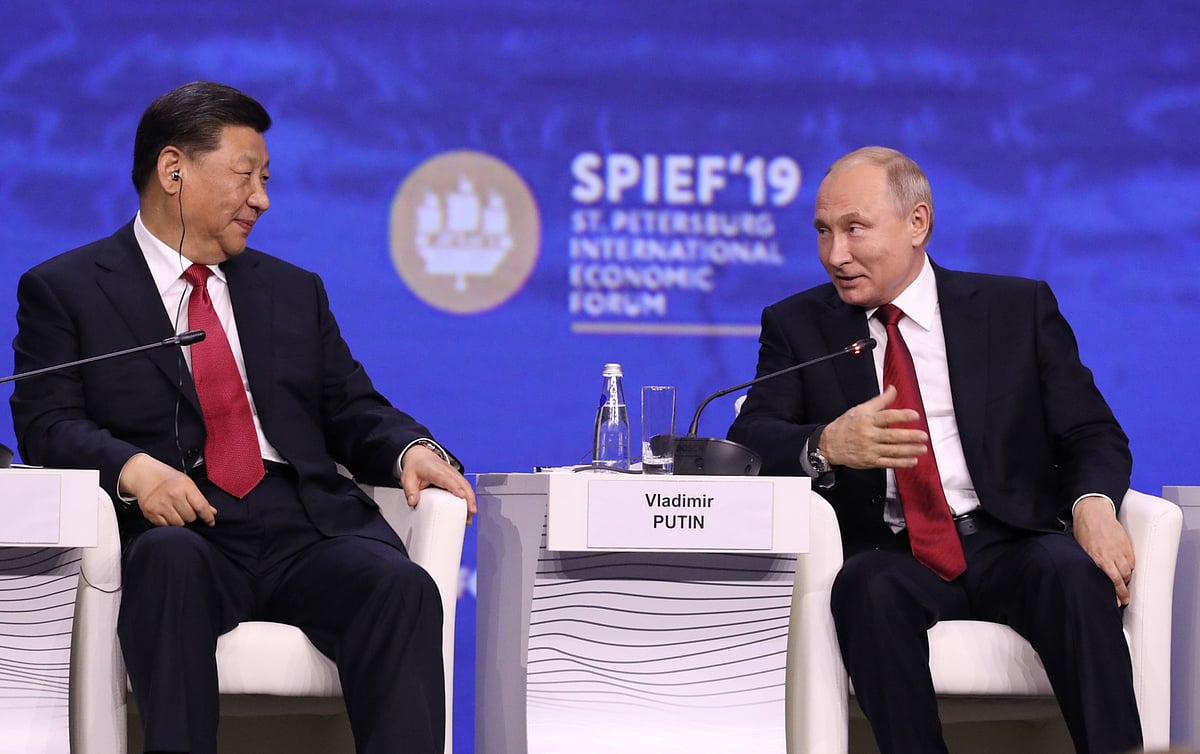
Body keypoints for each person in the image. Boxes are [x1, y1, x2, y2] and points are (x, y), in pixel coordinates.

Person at [10, 81, 476, 754]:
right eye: (245, 176)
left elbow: (349, 405)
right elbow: (46, 422)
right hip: (179, 527)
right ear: (174, 171)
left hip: (303, 526)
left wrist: (409, 449)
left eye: (266, 179)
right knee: (168, 563)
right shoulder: (67, 289)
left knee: (399, 587)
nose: (262, 198)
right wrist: (134, 470)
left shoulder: (292, 290)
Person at [727, 146, 1140, 753]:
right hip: (891, 549)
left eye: (854, 229)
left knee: (1073, 576)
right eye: (822, 231)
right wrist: (826, 443)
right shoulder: (798, 325)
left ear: (917, 223)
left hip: (1011, 538)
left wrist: (1094, 502)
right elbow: (750, 437)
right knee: (866, 589)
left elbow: (1091, 431)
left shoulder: (1015, 309)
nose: (834, 254)